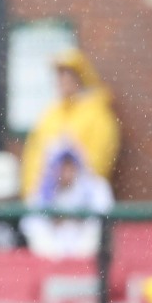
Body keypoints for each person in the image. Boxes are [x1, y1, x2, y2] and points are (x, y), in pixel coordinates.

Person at [20, 48, 121, 200]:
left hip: (81, 203)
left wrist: (69, 182)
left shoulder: (98, 115)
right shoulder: (50, 115)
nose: (62, 80)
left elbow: (99, 163)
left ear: (80, 78)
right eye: (59, 75)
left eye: (68, 75)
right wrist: (32, 193)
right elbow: (33, 157)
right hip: (45, 202)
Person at [19, 145, 114, 261]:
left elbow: (101, 218)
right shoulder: (42, 191)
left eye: (70, 166)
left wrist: (75, 219)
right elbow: (32, 224)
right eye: (62, 166)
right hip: (52, 257)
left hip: (86, 255)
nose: (66, 172)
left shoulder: (95, 188)